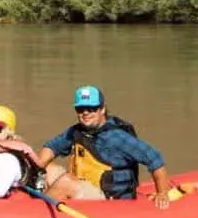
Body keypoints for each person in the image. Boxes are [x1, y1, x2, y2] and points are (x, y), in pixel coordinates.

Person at [37, 85, 174, 209]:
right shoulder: (76, 131)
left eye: (91, 108)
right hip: (85, 186)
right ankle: (37, 201)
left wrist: (162, 193)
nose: (85, 113)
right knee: (48, 169)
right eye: (80, 109)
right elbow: (51, 147)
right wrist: (38, 167)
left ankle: (36, 211)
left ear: (102, 109)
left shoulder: (117, 138)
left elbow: (154, 159)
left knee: (66, 181)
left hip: (109, 199)